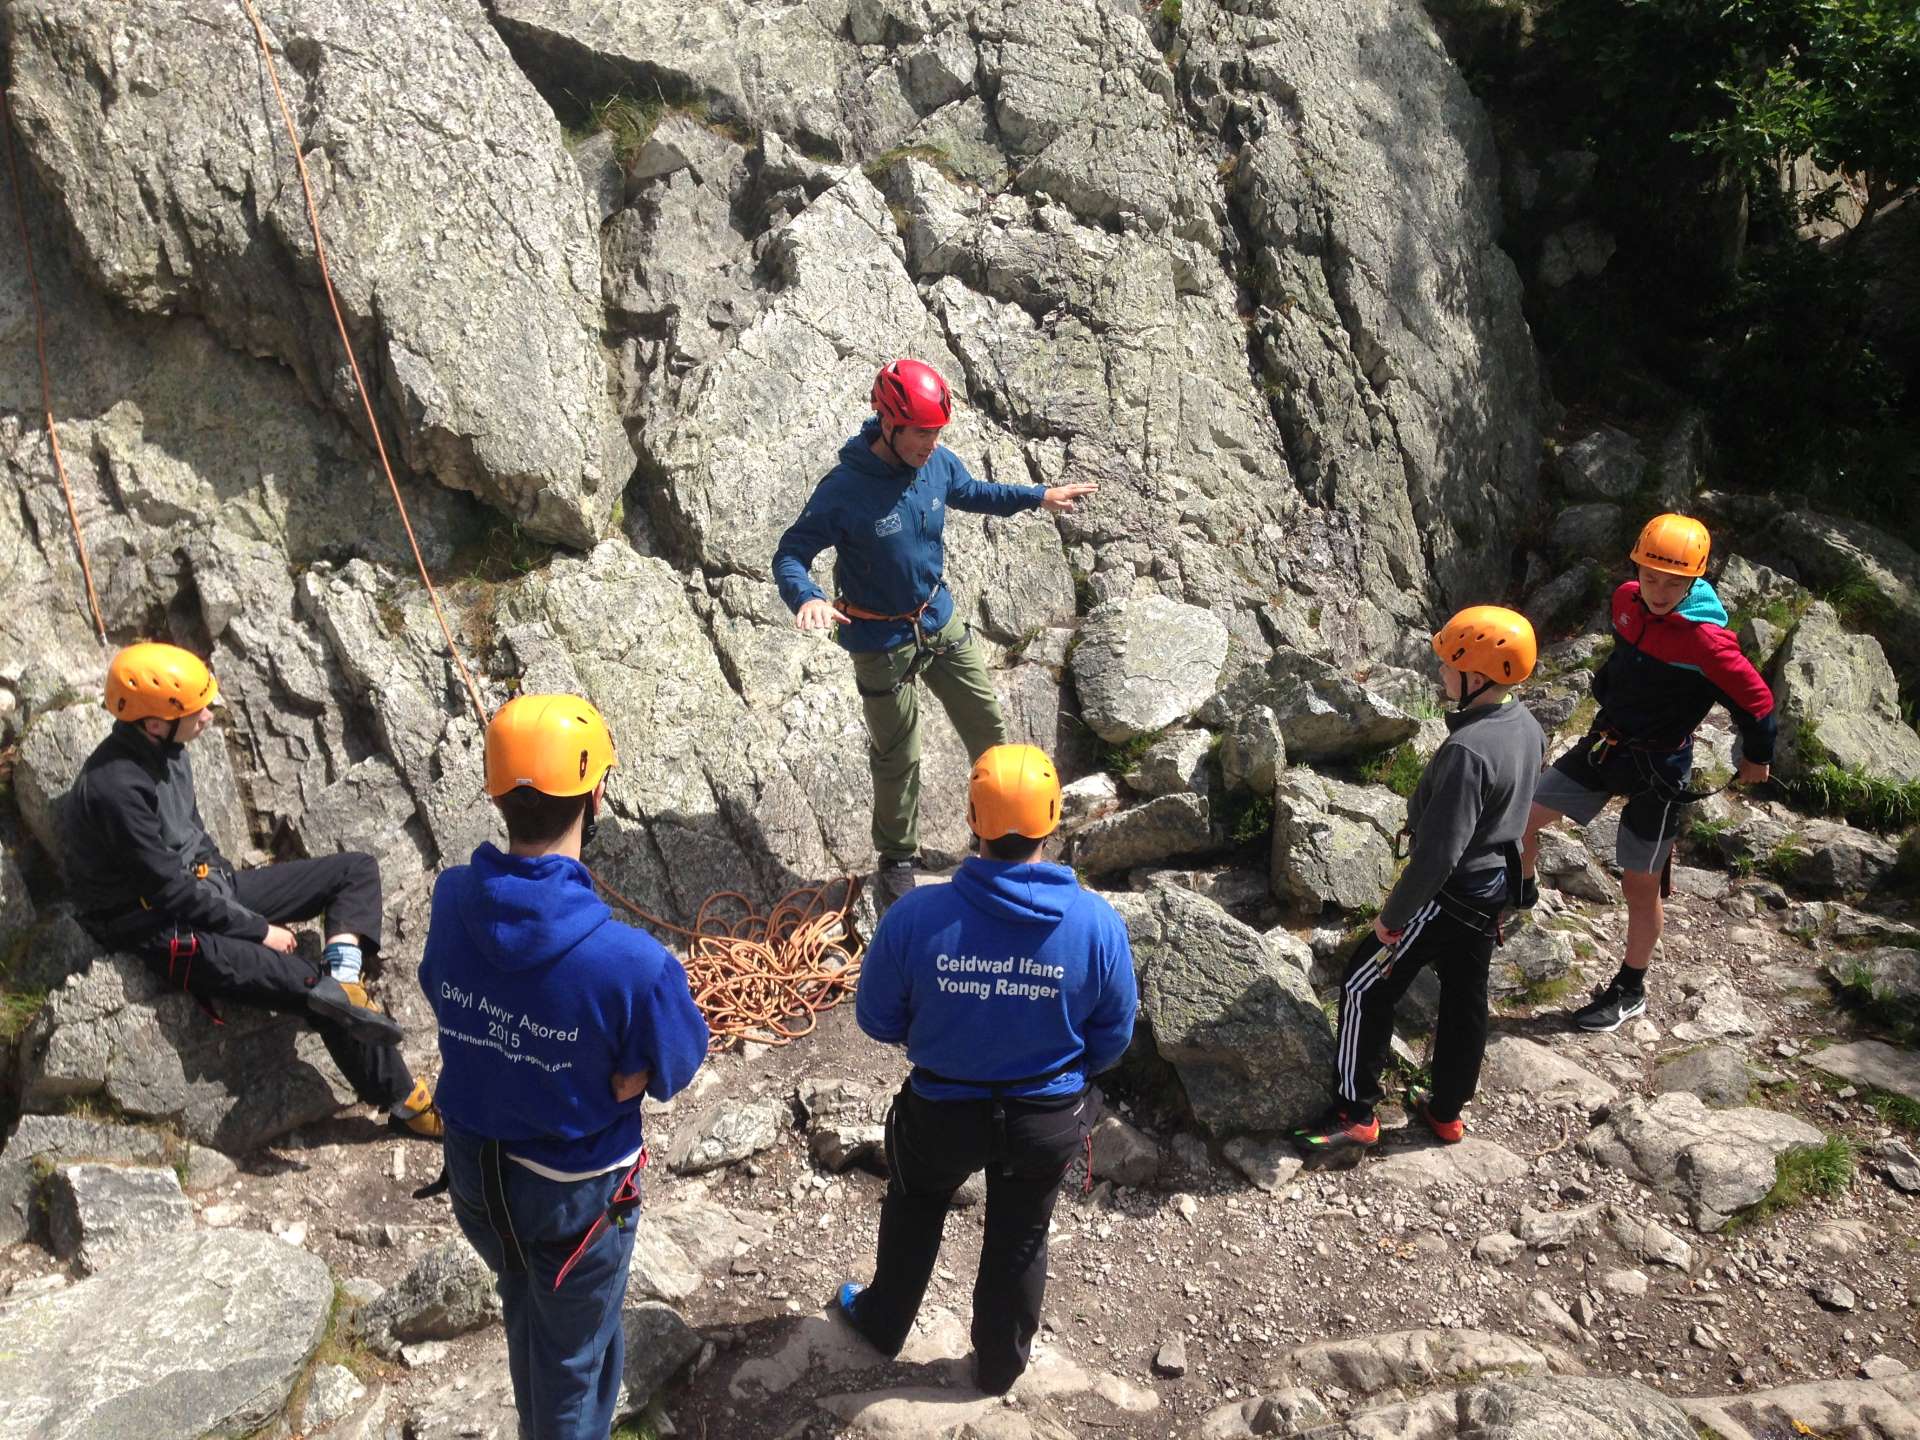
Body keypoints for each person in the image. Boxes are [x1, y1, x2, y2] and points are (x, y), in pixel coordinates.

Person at [420, 693, 709, 1440]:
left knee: (534, 1309)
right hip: (574, 1199)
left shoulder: (453, 900)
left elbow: (442, 994)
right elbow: (679, 1059)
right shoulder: (635, 965)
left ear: (496, 793)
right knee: (571, 1369)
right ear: (598, 794)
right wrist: (635, 1069)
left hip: (479, 1177)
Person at [837, 743, 1137, 1395]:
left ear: (973, 819)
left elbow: (876, 1019)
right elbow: (1112, 1037)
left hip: (941, 1114)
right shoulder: (1096, 924)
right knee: (1022, 1231)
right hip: (1046, 1118)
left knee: (916, 1205)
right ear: (1053, 819)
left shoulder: (917, 916)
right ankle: (1000, 1364)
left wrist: (947, 1029)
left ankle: (884, 1321)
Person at [64, 642, 441, 1136]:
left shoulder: (169, 751)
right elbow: (168, 891)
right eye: (197, 710)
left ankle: (347, 975)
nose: (209, 716)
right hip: (160, 926)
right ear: (154, 723)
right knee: (317, 992)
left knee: (354, 871)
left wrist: (226, 887)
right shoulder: (115, 788)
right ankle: (405, 1104)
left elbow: (194, 840)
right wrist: (256, 929)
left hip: (203, 893)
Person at [772, 358, 1097, 916]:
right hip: (880, 642)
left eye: (938, 432)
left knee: (989, 728)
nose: (932, 442)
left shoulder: (935, 463)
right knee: (899, 756)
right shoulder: (846, 489)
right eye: (922, 431)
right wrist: (808, 597)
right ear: (890, 423)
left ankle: (996, 837)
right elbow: (792, 552)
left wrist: (1037, 496)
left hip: (937, 621)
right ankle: (897, 861)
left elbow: (971, 491)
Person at [1294, 607, 1547, 1165]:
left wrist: (1394, 918)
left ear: (1477, 677)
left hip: (1450, 893)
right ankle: (1447, 1109)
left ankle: (1354, 1115)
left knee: (1363, 983)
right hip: (1491, 889)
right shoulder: (1525, 726)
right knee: (1464, 993)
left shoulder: (1467, 750)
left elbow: (1439, 853)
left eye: (1449, 666)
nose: (1440, 675)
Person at [1522, 514, 1775, 1033]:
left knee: (1640, 885)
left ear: (1696, 580)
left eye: (1674, 582)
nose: (1659, 591)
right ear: (1636, 567)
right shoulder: (1625, 602)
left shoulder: (1708, 642)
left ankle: (1630, 987)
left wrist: (1756, 756)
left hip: (1660, 768)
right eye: (1651, 576)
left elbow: (1758, 702)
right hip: (1605, 746)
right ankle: (1519, 892)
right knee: (1519, 819)